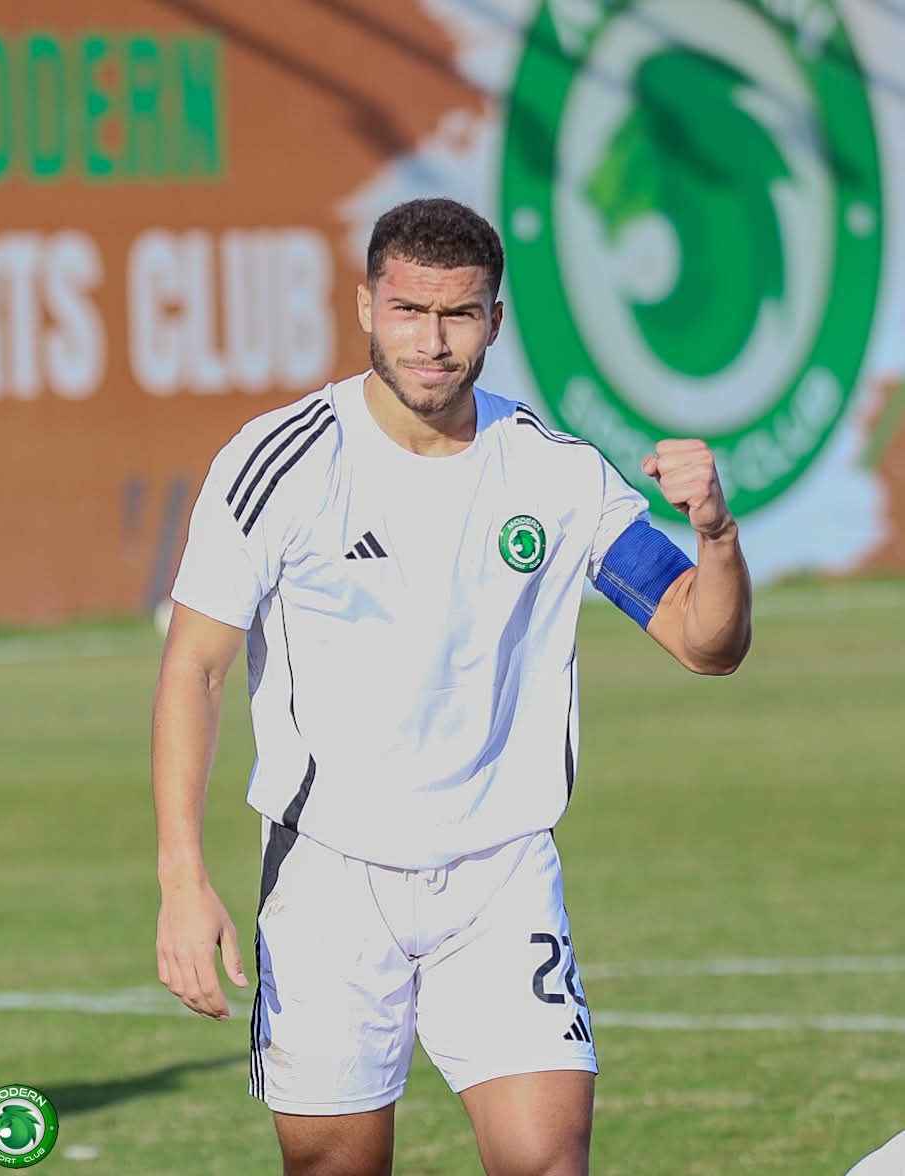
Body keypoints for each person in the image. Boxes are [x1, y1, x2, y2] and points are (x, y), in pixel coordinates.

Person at [152, 197, 751, 1175]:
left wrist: (716, 535)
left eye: (458, 314)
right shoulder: (280, 463)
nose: (432, 342)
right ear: (365, 307)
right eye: (408, 311)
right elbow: (195, 667)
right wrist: (182, 878)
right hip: (328, 878)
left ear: (494, 321)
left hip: (499, 874)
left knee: (546, 1162)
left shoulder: (554, 474)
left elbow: (702, 641)